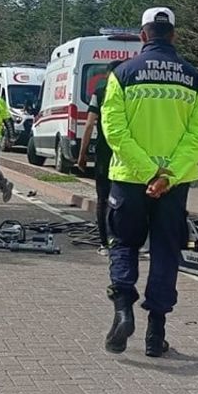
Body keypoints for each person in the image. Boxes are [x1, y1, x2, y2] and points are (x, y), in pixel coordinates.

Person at [100, 8, 198, 358]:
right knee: (165, 252)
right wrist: (167, 174)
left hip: (130, 180)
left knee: (123, 245)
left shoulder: (122, 74)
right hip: (173, 186)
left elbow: (114, 131)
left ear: (143, 35)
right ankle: (155, 335)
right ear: (173, 36)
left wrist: (147, 170)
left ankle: (122, 311)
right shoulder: (194, 79)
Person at [77, 58, 125, 255]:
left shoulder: (100, 93)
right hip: (125, 152)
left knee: (103, 199)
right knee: (125, 198)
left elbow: (89, 125)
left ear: (106, 75)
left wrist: (82, 154)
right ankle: (124, 240)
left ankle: (104, 243)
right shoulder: (131, 92)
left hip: (105, 152)